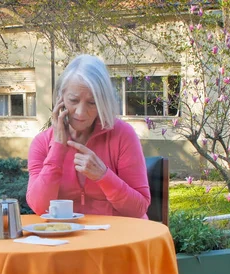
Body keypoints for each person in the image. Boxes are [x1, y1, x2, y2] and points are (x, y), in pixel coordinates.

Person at [27, 54, 151, 218]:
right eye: (73, 100)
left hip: (118, 235)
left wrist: (103, 175)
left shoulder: (123, 135)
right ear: (60, 98)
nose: (80, 112)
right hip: (66, 239)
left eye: (92, 103)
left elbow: (138, 209)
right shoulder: (42, 142)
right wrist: (57, 149)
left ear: (103, 102)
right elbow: (39, 207)